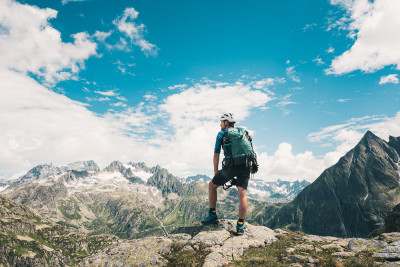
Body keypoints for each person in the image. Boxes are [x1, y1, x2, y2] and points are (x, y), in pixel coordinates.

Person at [201, 113, 251, 236]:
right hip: (246, 165)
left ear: (226, 123)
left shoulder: (221, 134)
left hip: (231, 167)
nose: (220, 124)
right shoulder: (243, 131)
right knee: (242, 194)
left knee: (212, 185)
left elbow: (216, 154)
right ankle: (240, 226)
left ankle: (212, 215)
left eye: (222, 122)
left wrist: (215, 171)